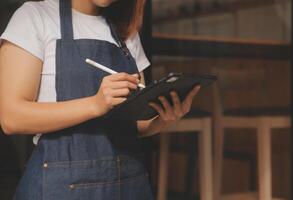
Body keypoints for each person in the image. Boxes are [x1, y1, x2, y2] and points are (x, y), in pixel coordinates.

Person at [0, 0, 201, 199]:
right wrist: (95, 105)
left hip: (129, 184)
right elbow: (11, 118)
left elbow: (136, 124)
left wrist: (162, 120)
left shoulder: (126, 33)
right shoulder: (35, 17)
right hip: (59, 186)